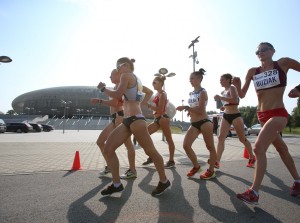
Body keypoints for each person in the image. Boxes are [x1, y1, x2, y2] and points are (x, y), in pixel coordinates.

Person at [233, 42, 300, 204]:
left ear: (272, 51)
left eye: (264, 50)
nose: (260, 52)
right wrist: (237, 86)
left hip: (278, 113)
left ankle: (254, 192)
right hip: (262, 116)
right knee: (282, 149)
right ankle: (298, 182)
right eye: (257, 51)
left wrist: (299, 89)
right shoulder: (252, 71)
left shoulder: (283, 63)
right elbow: (242, 95)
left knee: (258, 147)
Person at [97, 57, 171, 196]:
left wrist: (103, 89)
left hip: (136, 120)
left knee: (151, 152)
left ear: (125, 65)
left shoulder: (126, 75)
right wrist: (139, 103)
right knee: (108, 148)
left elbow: (118, 94)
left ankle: (164, 180)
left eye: (118, 67)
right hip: (128, 120)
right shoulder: (137, 79)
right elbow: (142, 94)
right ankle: (116, 184)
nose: (118, 71)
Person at [91, 69, 137, 179]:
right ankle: (110, 167)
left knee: (128, 144)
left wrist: (100, 100)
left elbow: (116, 103)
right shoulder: (115, 87)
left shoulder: (119, 87)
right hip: (115, 118)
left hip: (120, 117)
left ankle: (132, 170)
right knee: (100, 141)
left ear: (118, 75)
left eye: (111, 75)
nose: (109, 77)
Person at [176, 68, 217, 180]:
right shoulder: (191, 93)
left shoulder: (203, 92)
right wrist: (189, 111)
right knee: (186, 145)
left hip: (204, 122)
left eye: (192, 78)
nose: (190, 80)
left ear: (199, 79)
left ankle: (211, 170)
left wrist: (186, 107)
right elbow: (194, 108)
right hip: (194, 123)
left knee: (210, 147)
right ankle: (196, 166)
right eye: (190, 79)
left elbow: (200, 110)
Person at [213, 73, 256, 169]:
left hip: (235, 115)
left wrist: (220, 98)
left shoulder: (232, 88)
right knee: (220, 138)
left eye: (222, 79)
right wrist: (223, 106)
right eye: (220, 80)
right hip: (226, 115)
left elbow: (235, 101)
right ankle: (217, 161)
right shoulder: (223, 91)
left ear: (228, 80)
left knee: (242, 139)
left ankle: (252, 157)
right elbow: (228, 102)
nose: (220, 81)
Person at [142, 75, 176, 168]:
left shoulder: (163, 94)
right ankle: (152, 156)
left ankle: (171, 160)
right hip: (157, 119)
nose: (153, 84)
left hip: (163, 118)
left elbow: (160, 109)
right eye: (152, 82)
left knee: (169, 140)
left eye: (155, 82)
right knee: (145, 135)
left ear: (161, 83)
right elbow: (156, 109)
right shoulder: (157, 94)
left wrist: (148, 105)